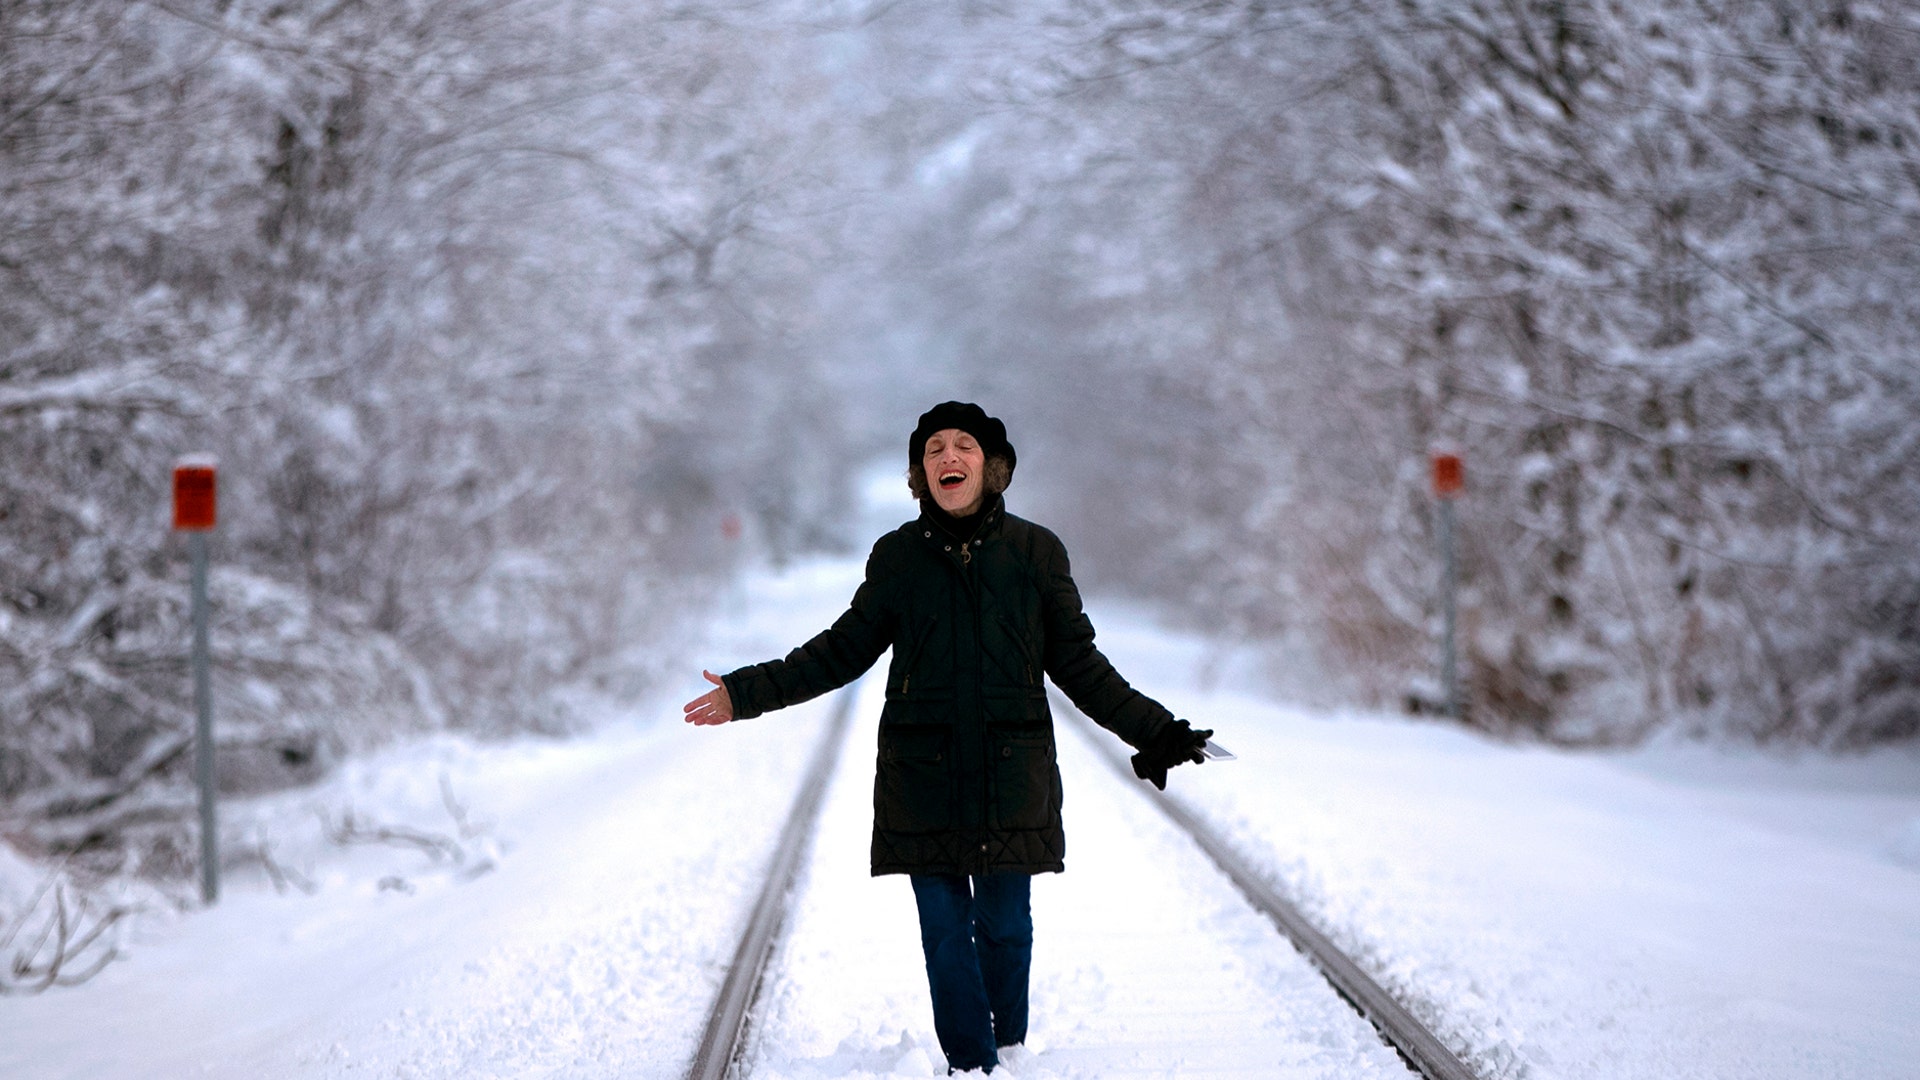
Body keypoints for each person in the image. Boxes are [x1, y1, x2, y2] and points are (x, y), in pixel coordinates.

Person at [683, 401, 1214, 1076]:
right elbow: (841, 651)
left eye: (964, 446)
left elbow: (1080, 665)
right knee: (944, 933)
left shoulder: (1035, 554)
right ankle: (974, 1065)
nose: (948, 458)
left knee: (1005, 930)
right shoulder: (898, 558)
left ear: (991, 468)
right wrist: (745, 692)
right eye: (934, 450)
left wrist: (1156, 731)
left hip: (1011, 771)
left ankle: (1009, 1050)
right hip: (922, 776)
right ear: (920, 474)